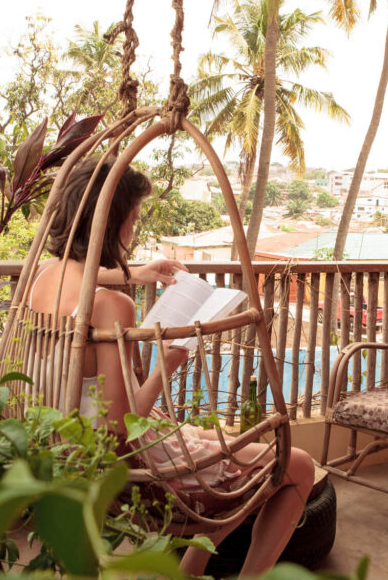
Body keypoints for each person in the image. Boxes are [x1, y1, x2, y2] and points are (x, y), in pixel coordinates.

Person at [28, 156, 314, 578]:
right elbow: (119, 432)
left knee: (211, 437)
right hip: (118, 468)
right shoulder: (111, 307)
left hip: (57, 444)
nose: (133, 230)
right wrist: (170, 361)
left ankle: (190, 573)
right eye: (133, 219)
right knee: (299, 465)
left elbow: (89, 281)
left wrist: (137, 272)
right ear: (112, 225)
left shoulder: (43, 277)